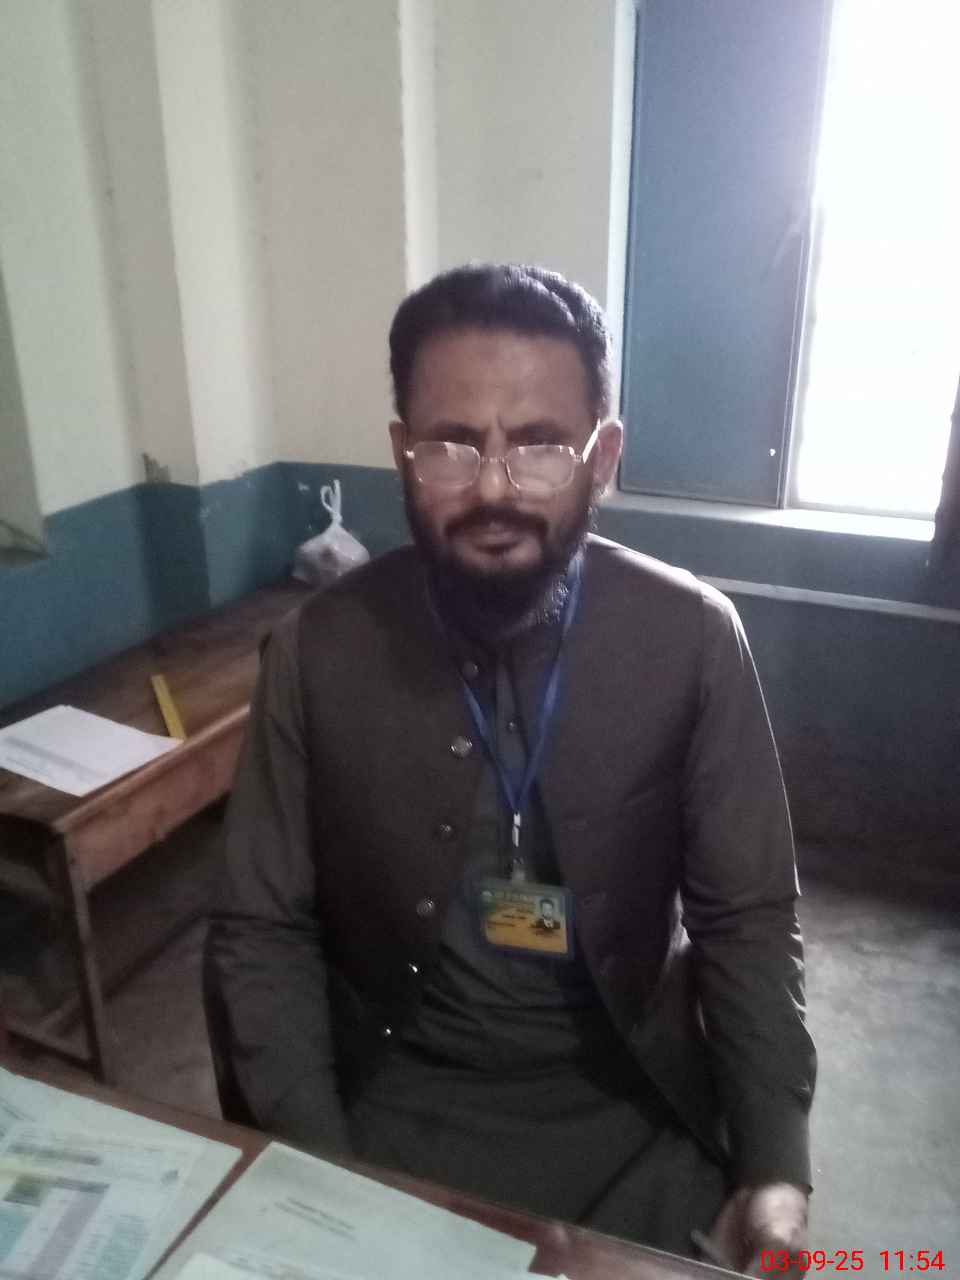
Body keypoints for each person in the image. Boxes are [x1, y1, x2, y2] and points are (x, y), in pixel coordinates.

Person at [207, 263, 816, 1270]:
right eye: (452, 443)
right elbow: (260, 927)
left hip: (636, 1111)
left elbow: (747, 918)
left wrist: (775, 1164)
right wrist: (316, 1170)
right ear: (402, 453)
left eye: (539, 444)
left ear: (602, 457)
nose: (493, 486)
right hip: (388, 1105)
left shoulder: (693, 640)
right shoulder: (316, 649)